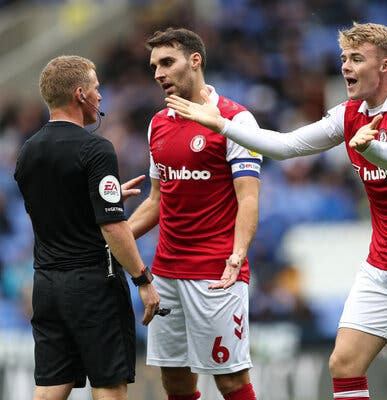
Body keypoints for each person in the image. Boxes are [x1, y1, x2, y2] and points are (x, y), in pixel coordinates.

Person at [166, 22, 387, 400]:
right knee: (344, 364)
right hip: (383, 262)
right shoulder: (349, 114)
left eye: (357, 59)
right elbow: (285, 146)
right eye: (343, 59)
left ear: (386, 66)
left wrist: (369, 147)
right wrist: (222, 124)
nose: (346, 67)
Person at [14, 55, 160, 400]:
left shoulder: (27, 151)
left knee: (50, 386)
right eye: (96, 89)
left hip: (46, 286)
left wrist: (98, 201)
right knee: (108, 385)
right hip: (93, 287)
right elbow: (112, 227)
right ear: (80, 94)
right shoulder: (96, 148)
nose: (101, 97)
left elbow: (42, 217)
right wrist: (142, 279)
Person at [127, 28, 262, 400]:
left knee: (232, 381)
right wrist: (115, 237)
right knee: (176, 383)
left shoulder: (235, 120)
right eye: (154, 66)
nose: (158, 73)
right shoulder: (158, 124)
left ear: (195, 61)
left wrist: (236, 257)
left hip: (216, 273)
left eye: (167, 62)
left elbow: (248, 198)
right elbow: (157, 201)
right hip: (166, 275)